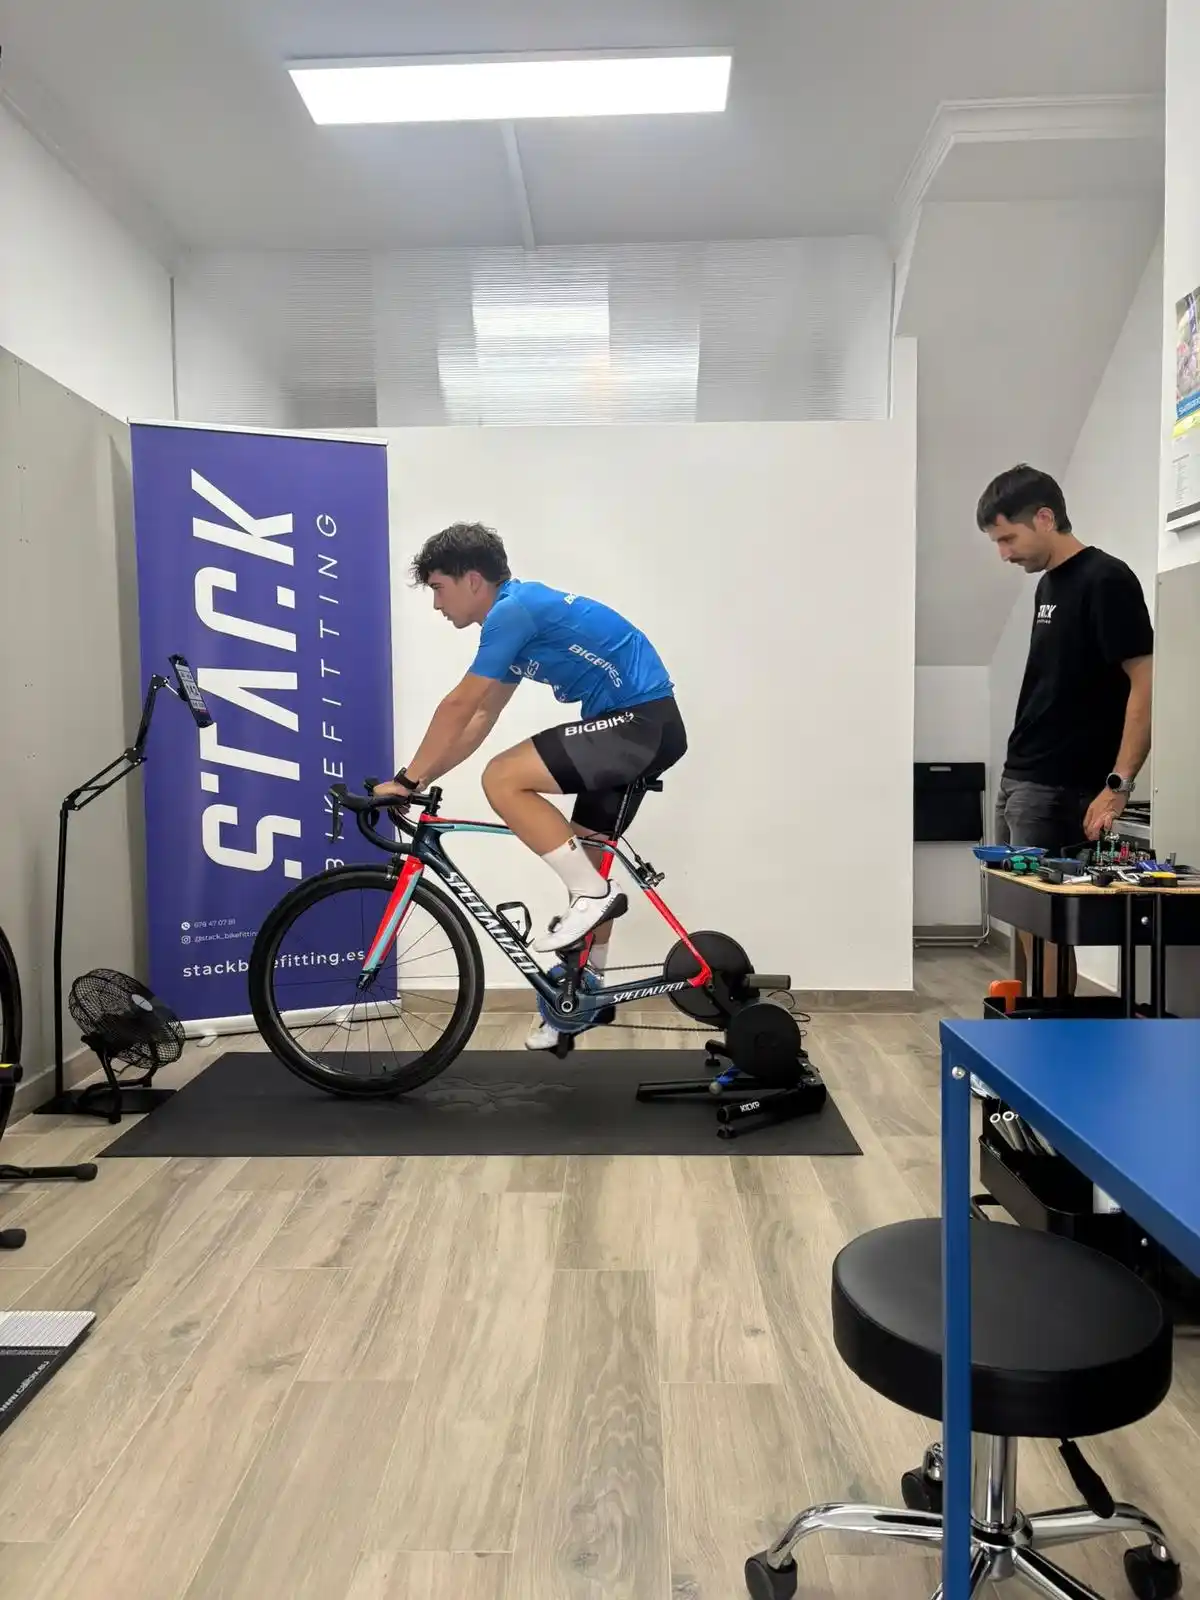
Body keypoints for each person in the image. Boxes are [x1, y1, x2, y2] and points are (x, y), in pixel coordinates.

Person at [373, 522, 687, 1049]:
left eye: (437, 588)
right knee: (585, 857)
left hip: (640, 724)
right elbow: (478, 721)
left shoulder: (511, 612)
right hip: (633, 727)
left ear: (473, 580)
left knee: (504, 777)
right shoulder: (516, 622)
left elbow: (459, 704)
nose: (435, 604)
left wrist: (404, 780)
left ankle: (593, 897)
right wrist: (421, 780)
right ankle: (580, 999)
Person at [978, 464, 1154, 993]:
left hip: (1059, 786)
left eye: (1008, 537)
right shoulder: (1048, 585)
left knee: (1048, 926)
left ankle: (1053, 1044)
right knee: (1024, 922)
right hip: (1022, 777)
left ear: (1046, 518)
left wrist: (1117, 786)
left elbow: (1146, 683)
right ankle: (1026, 1036)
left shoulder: (1107, 579)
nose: (1004, 554)